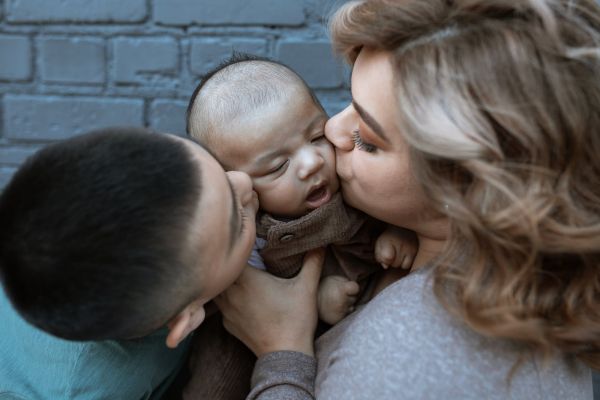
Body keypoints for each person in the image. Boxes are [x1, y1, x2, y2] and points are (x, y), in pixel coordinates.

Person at [214, 0, 600, 398]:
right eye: (348, 102)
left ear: (466, 187)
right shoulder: (531, 279)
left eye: (367, 138)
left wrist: (281, 354)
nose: (332, 129)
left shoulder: (400, 357)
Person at [183, 54, 417, 399]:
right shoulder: (247, 233)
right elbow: (247, 294)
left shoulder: (353, 184)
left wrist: (399, 231)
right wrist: (317, 297)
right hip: (242, 342)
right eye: (278, 166)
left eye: (316, 136)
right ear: (238, 185)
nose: (311, 163)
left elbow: (396, 203)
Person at [0, 127, 262, 399]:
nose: (242, 179)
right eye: (238, 222)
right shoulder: (91, 391)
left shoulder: (31, 223)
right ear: (187, 321)